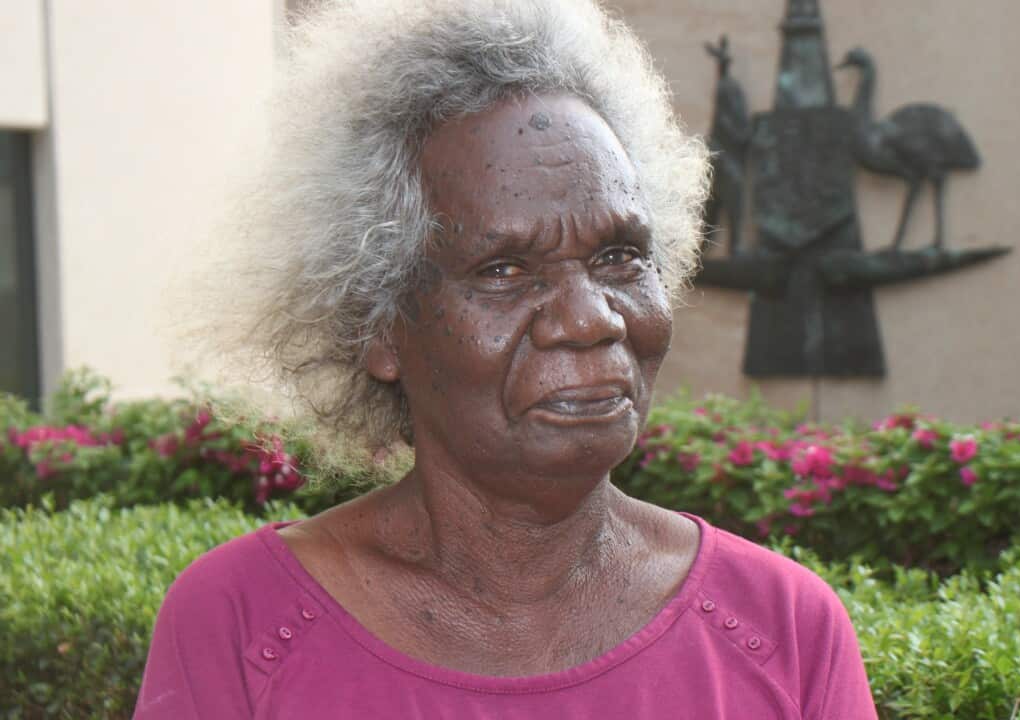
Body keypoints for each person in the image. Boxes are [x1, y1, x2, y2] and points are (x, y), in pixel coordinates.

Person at [135, 0, 878, 717]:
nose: (591, 319)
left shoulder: (785, 628)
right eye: (505, 269)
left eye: (621, 257)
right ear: (379, 326)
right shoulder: (241, 625)